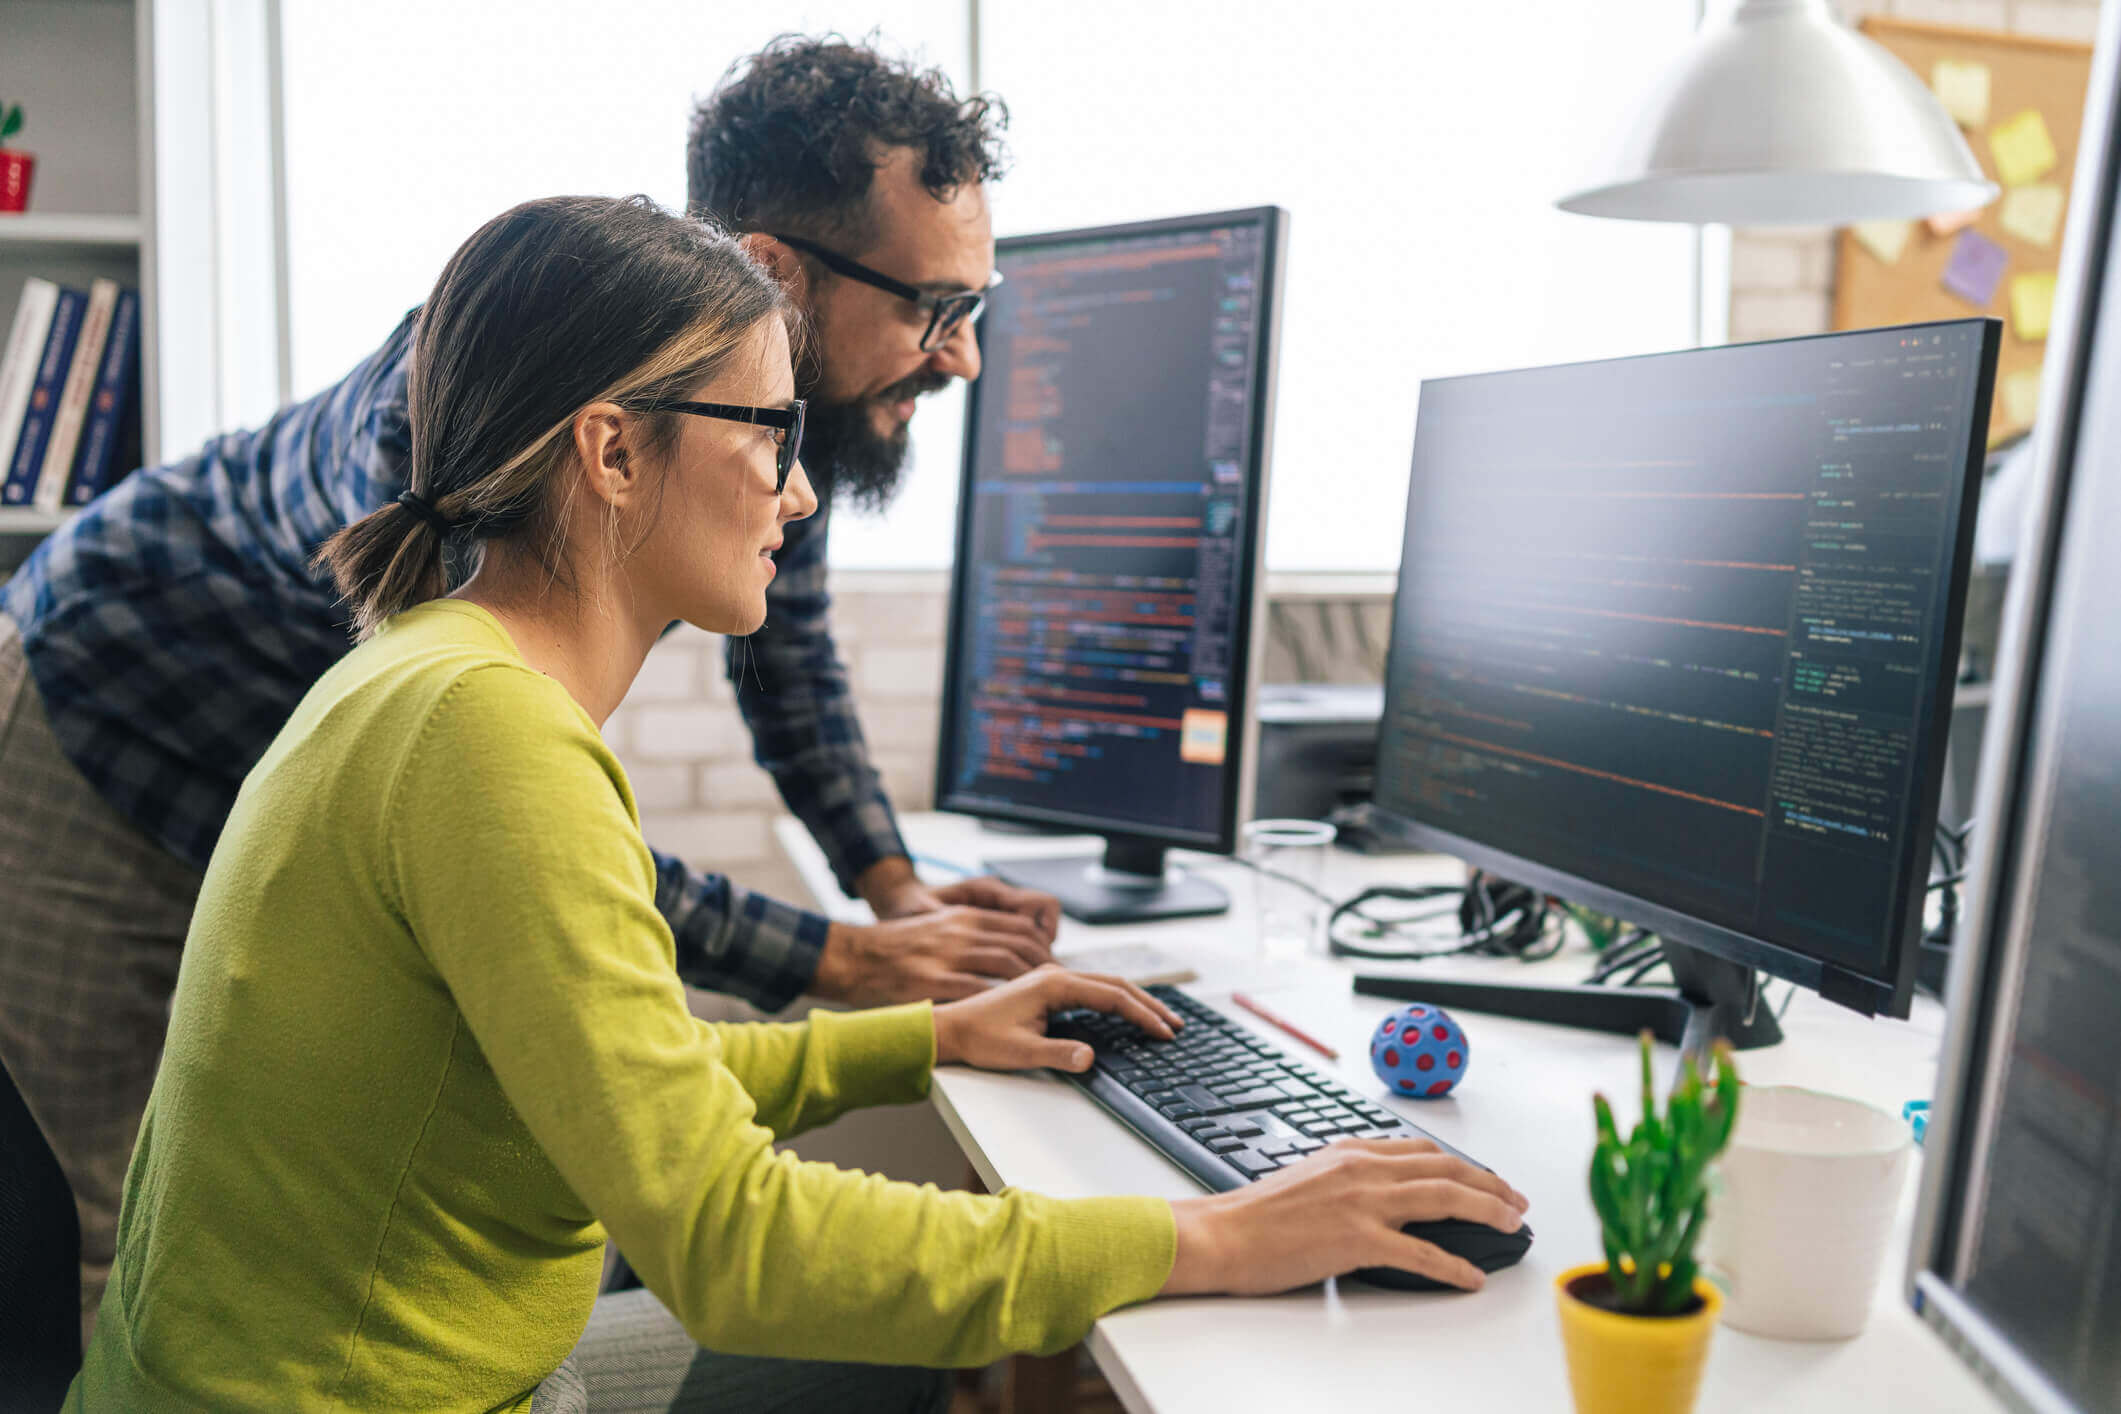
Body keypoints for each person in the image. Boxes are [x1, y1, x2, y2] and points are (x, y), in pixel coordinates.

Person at [64, 194, 1529, 1413]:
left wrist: (922, 1039)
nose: (804, 492)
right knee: (878, 1348)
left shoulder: (433, 673)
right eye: (769, 434)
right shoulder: (487, 741)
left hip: (380, 1376)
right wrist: (1214, 1231)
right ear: (613, 449)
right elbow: (727, 1243)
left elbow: (611, 1069)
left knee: (891, 1358)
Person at [0, 35, 1048, 1323]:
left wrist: (896, 901)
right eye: (932, 308)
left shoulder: (742, 418)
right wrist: (832, 960)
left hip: (275, 780)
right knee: (126, 1255)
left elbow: (794, 669)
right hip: (97, 726)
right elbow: (506, 816)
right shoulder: (488, 434)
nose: (961, 357)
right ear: (777, 271)